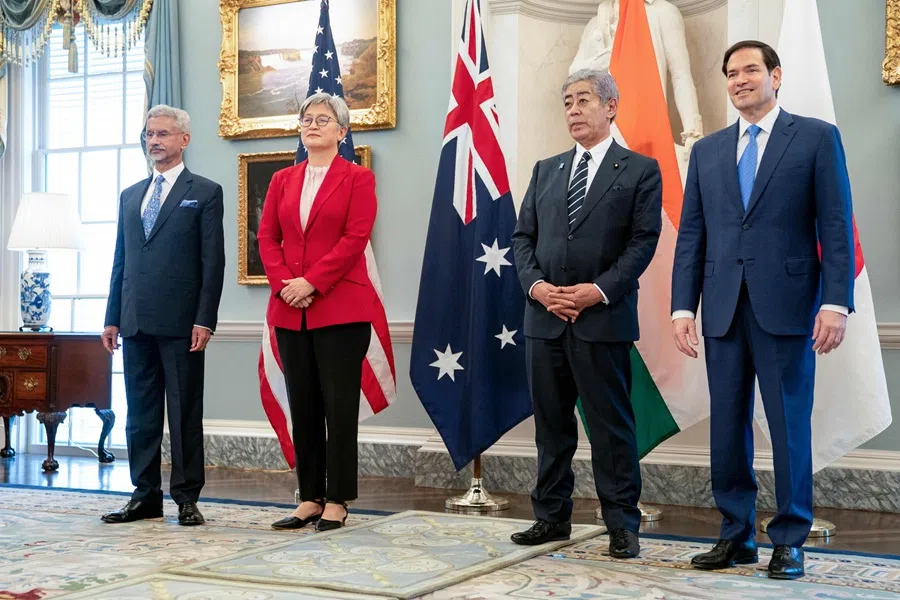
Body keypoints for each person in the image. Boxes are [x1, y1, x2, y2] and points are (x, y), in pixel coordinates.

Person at [671, 40, 854, 580]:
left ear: (776, 75)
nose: (740, 80)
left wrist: (836, 302)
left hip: (790, 307)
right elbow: (693, 237)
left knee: (788, 426)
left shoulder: (816, 138)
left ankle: (790, 539)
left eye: (751, 70)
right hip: (722, 308)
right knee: (726, 427)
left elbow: (835, 227)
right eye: (731, 73)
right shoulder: (707, 151)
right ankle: (736, 536)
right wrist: (684, 308)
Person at [510, 68, 662, 558]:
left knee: (610, 428)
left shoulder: (639, 170)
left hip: (602, 319)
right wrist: (537, 288)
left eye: (583, 100)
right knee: (551, 427)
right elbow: (522, 240)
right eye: (568, 102)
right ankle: (551, 519)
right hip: (544, 320)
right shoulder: (545, 169)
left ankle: (622, 524)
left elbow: (643, 243)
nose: (573, 110)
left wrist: (597, 291)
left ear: (611, 106)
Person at [101, 104, 225, 526]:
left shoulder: (205, 192)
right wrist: (112, 316)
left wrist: (204, 319)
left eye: (163, 134)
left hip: (182, 325)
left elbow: (213, 263)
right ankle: (144, 495)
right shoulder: (130, 195)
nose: (154, 140)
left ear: (184, 139)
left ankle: (187, 498)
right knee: (141, 414)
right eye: (150, 133)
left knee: (184, 411)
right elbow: (122, 260)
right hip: (135, 322)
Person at [257, 93, 377, 532]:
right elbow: (266, 238)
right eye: (306, 119)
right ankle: (309, 496)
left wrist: (312, 282)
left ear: (342, 132)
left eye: (322, 119)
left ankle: (338, 499)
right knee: (302, 407)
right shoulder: (282, 180)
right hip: (291, 310)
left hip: (341, 310)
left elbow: (355, 237)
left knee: (338, 408)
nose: (312, 125)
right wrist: (285, 285)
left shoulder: (358, 178)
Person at [570, 0, 703, 181]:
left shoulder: (662, 12)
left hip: (647, 128)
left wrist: (692, 131)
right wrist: (611, 57)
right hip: (603, 132)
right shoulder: (596, 22)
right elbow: (575, 73)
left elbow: (680, 75)